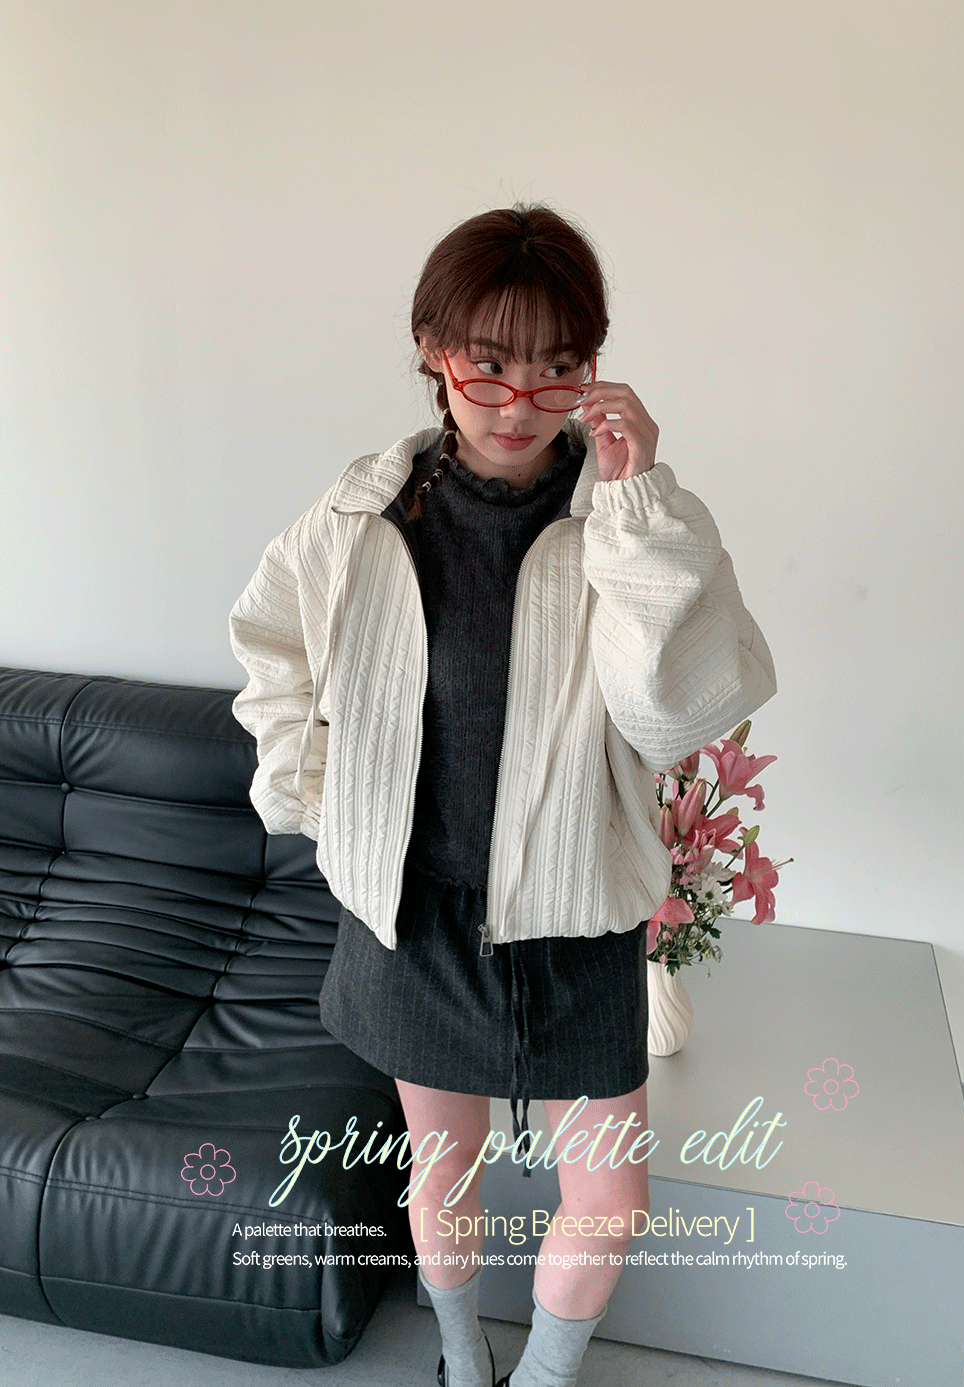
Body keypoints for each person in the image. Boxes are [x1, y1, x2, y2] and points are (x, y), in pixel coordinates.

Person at [229, 204, 776, 1387]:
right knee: (443, 1170)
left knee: (611, 1197)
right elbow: (271, 648)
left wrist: (634, 509)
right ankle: (459, 1357)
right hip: (416, 917)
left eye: (555, 368)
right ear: (433, 350)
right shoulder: (360, 516)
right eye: (488, 364)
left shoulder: (627, 518)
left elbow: (674, 715)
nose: (520, 402)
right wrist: (314, 793)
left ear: (592, 365)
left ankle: (543, 1375)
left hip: (577, 919)